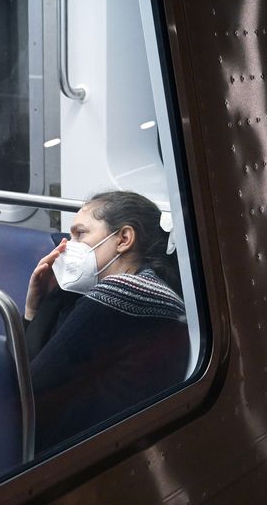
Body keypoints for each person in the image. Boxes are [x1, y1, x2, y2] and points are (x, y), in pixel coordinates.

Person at [23, 190, 188, 452]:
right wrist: (38, 304)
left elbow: (28, 387)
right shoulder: (151, 288)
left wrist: (39, 306)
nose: (67, 246)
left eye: (80, 234)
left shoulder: (123, 292)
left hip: (83, 450)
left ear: (123, 238)